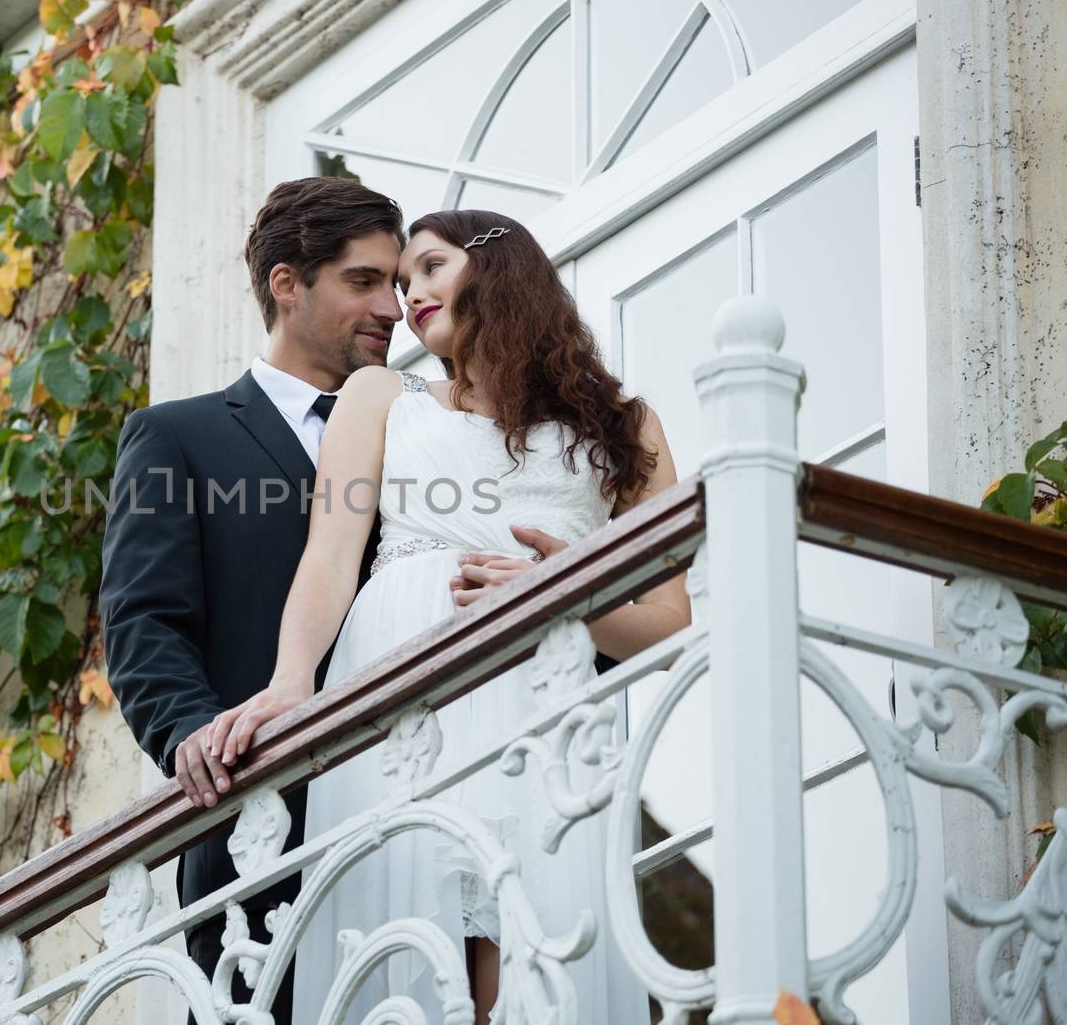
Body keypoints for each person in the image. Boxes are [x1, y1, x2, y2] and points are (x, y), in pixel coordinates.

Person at [204, 210, 691, 1024]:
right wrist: (292, 681)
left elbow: (672, 623)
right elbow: (328, 557)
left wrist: (557, 594)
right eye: (398, 283)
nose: (408, 297)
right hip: (401, 695)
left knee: (528, 949)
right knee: (410, 955)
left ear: (501, 270)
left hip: (541, 709)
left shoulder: (627, 426)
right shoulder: (380, 394)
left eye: (429, 268)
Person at [99, 176, 405, 1019]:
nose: (395, 307)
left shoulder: (425, 430)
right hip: (263, 844)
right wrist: (199, 738)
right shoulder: (178, 436)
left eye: (398, 283)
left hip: (420, 810)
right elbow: (143, 621)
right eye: (364, 280)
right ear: (286, 283)